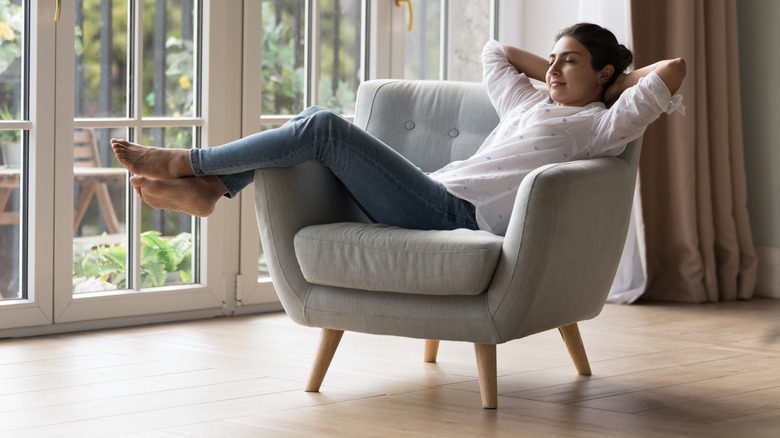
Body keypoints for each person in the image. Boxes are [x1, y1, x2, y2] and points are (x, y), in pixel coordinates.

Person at [112, 22, 686, 236]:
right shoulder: (527, 105)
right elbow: (496, 51)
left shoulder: (601, 125)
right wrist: (561, 70)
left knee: (325, 127)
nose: (555, 69)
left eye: (570, 62)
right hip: (430, 189)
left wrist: (614, 84)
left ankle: (192, 166)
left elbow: (674, 70)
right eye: (554, 59)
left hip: (455, 213)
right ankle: (212, 187)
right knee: (314, 122)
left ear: (606, 75)